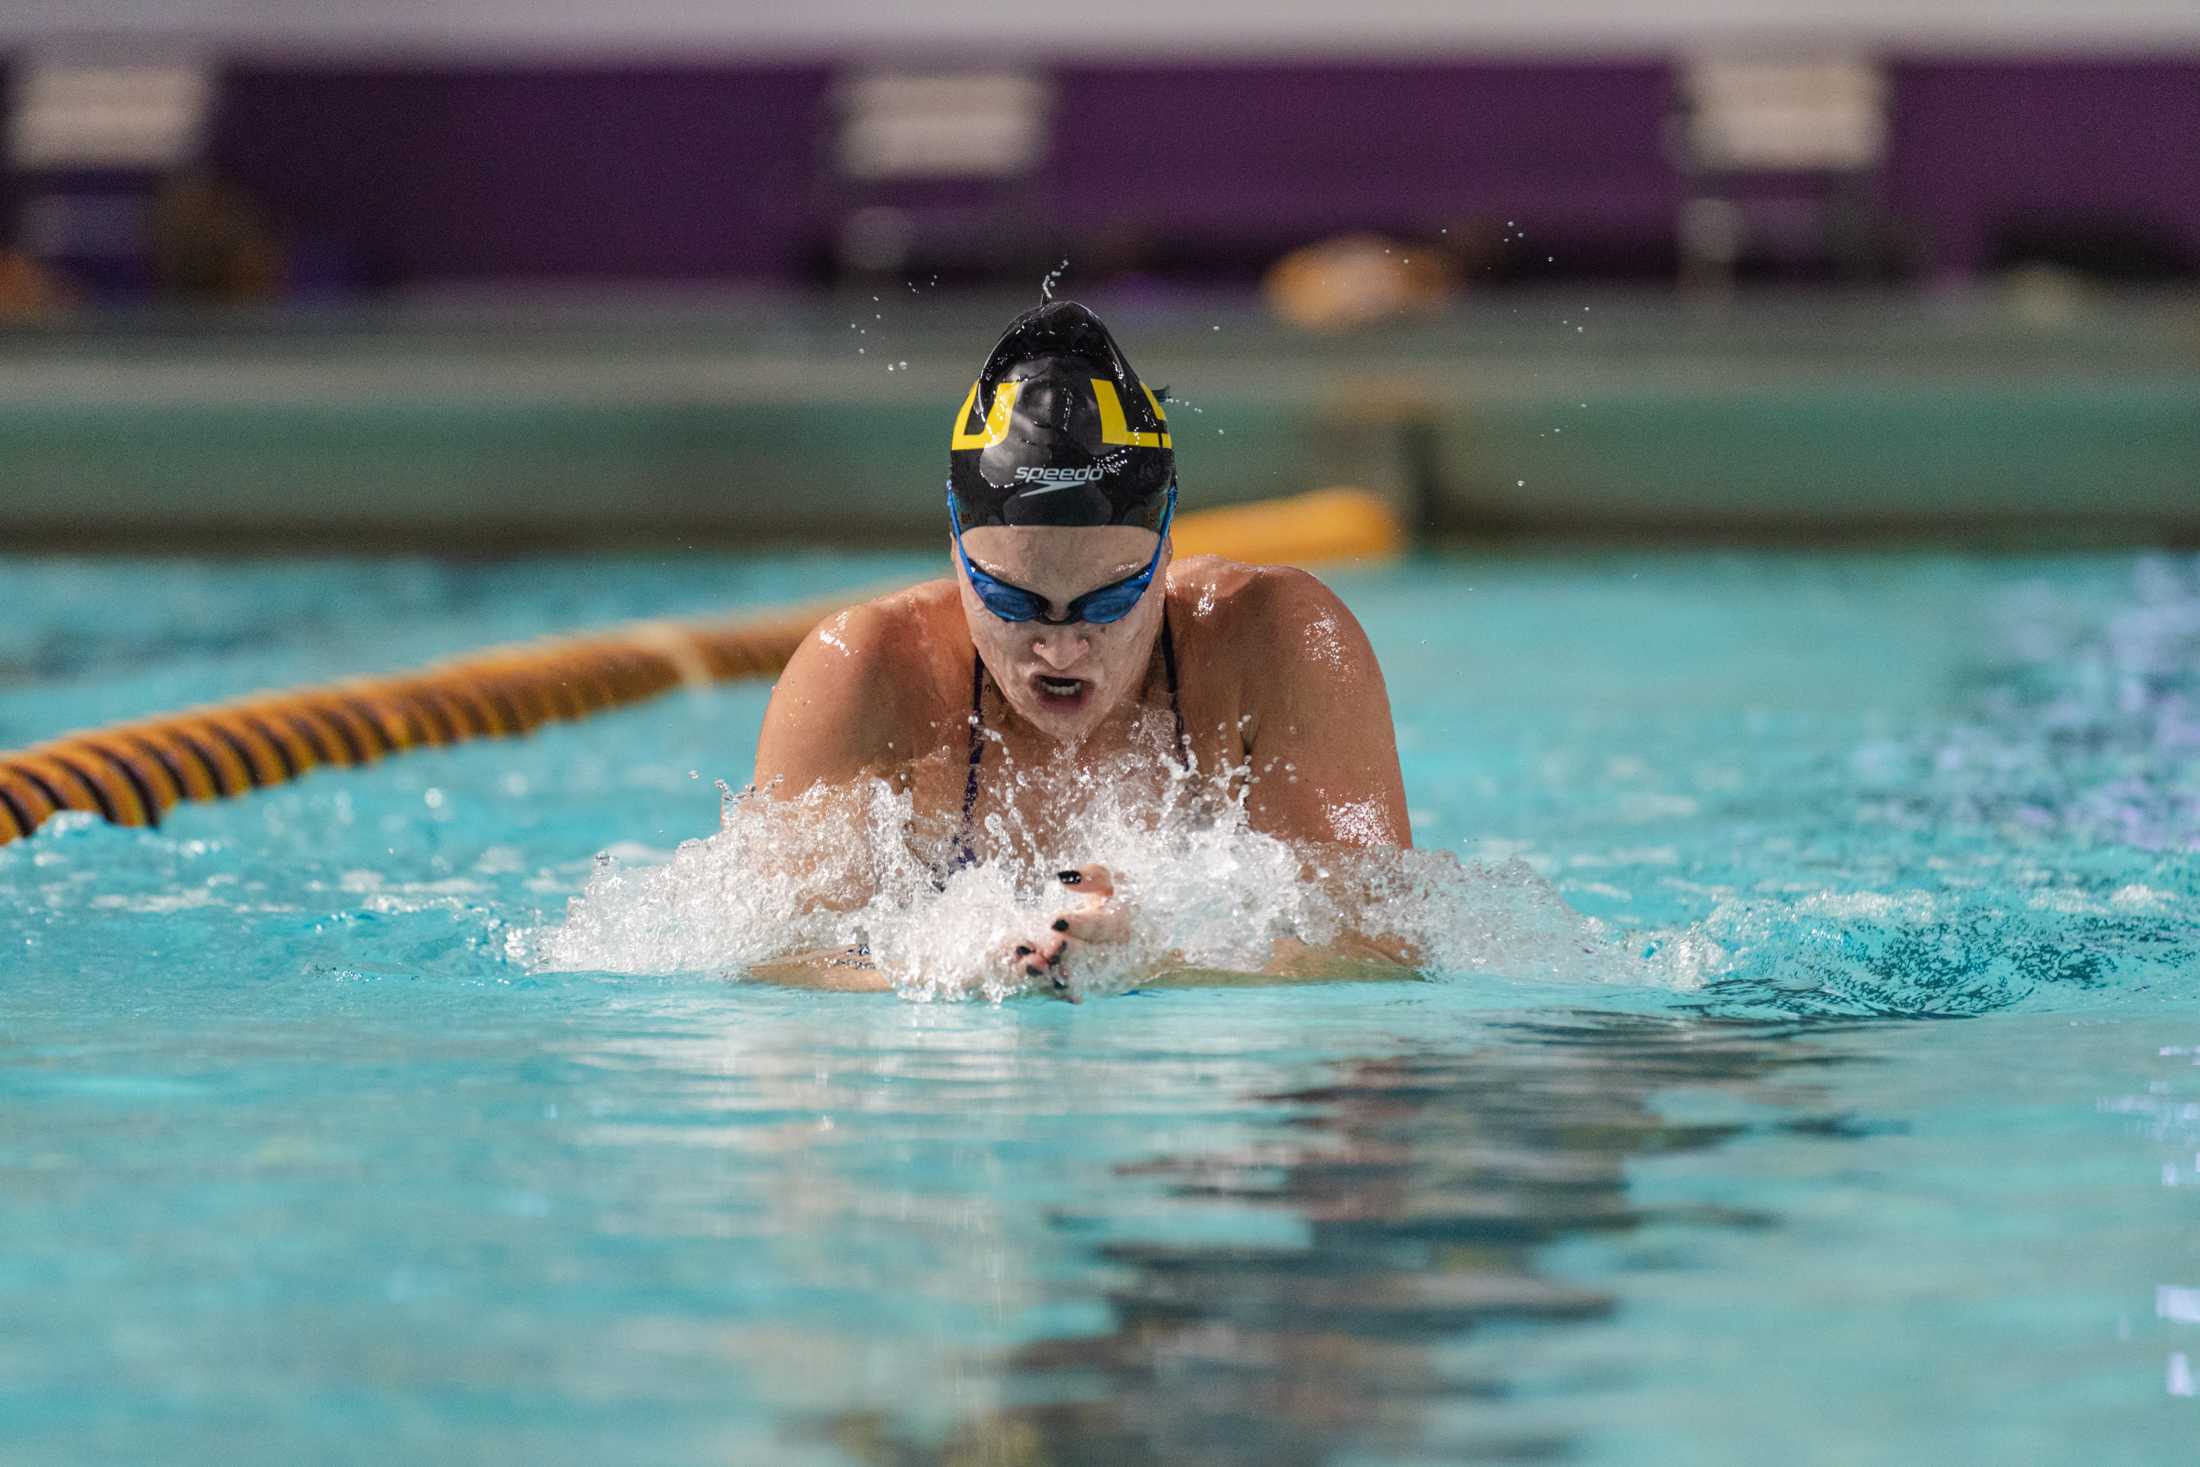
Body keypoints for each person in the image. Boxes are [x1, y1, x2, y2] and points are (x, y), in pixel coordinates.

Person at [751, 300, 1410, 996]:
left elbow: (1381, 953)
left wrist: (1158, 960)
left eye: (1108, 601)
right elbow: (778, 960)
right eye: (1012, 601)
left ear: (1165, 552)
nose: (1062, 651)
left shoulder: (1278, 643)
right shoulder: (867, 671)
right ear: (955, 551)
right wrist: (948, 969)